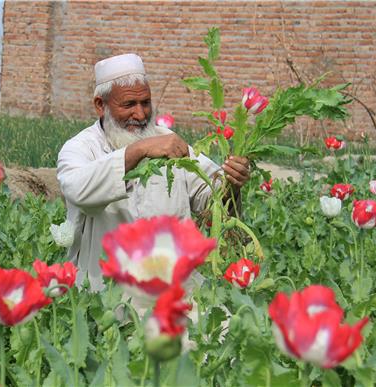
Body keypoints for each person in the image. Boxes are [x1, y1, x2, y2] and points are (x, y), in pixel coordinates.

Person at [57, 53, 250, 291]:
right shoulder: (81, 148)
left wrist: (232, 182)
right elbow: (77, 190)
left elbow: (211, 198)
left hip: (173, 285)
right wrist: (140, 150)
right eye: (128, 105)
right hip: (108, 291)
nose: (140, 115)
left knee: (229, 326)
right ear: (100, 105)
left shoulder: (168, 142)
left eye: (145, 103)